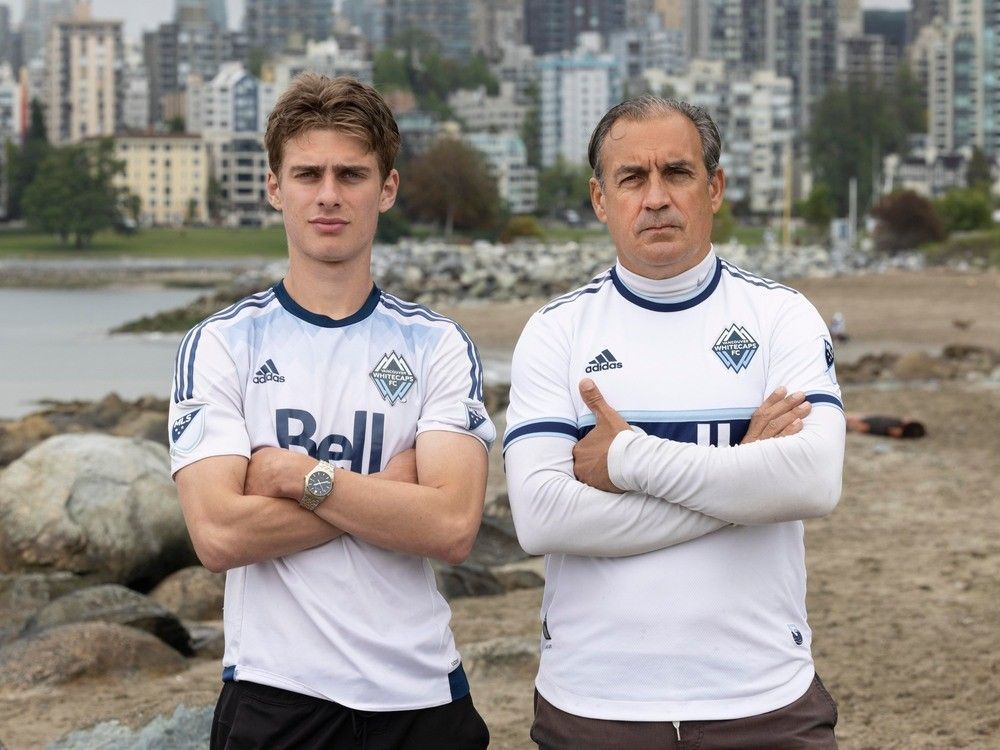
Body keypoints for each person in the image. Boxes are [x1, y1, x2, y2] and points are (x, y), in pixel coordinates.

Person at [504, 96, 846, 749]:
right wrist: (745, 475)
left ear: (713, 188)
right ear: (601, 200)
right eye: (632, 178)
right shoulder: (556, 332)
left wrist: (628, 458)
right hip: (593, 703)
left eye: (677, 174)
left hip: (764, 700)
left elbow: (813, 484)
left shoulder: (783, 317)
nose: (655, 197)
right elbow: (542, 518)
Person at [168, 74, 494, 749]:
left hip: (421, 695)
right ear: (274, 187)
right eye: (308, 173)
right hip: (276, 698)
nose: (328, 195)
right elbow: (220, 537)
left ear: (388, 189)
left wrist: (299, 478)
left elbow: (453, 526)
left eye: (351, 174)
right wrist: (385, 495)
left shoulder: (436, 344)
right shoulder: (222, 344)